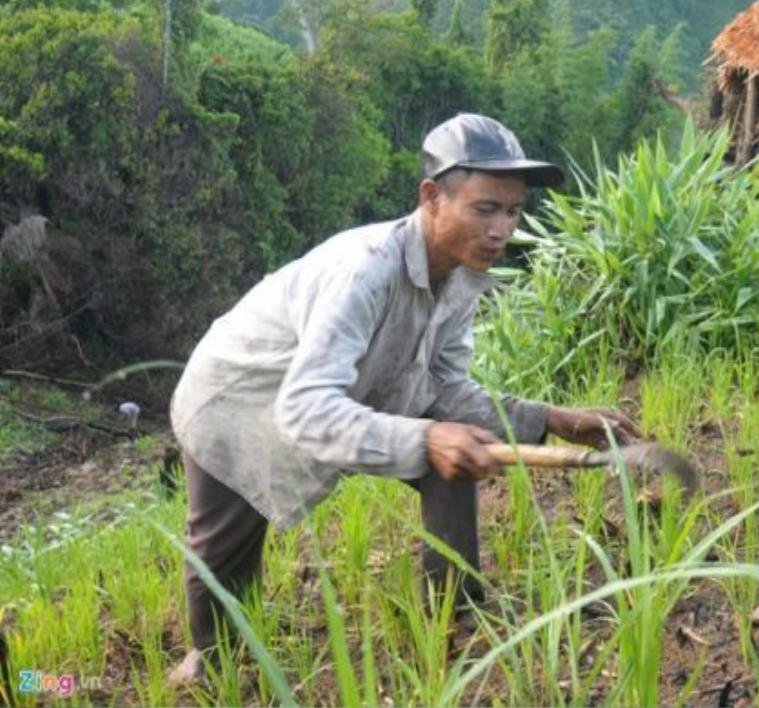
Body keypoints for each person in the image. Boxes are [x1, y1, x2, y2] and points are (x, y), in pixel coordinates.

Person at [166, 113, 639, 687]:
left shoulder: (462, 276)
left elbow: (445, 387)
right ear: (432, 196)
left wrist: (552, 419)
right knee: (225, 555)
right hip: (237, 395)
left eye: (513, 212)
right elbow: (306, 407)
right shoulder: (363, 272)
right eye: (485, 208)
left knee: (451, 458)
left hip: (349, 387)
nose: (501, 230)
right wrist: (426, 435)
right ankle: (203, 671)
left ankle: (455, 613)